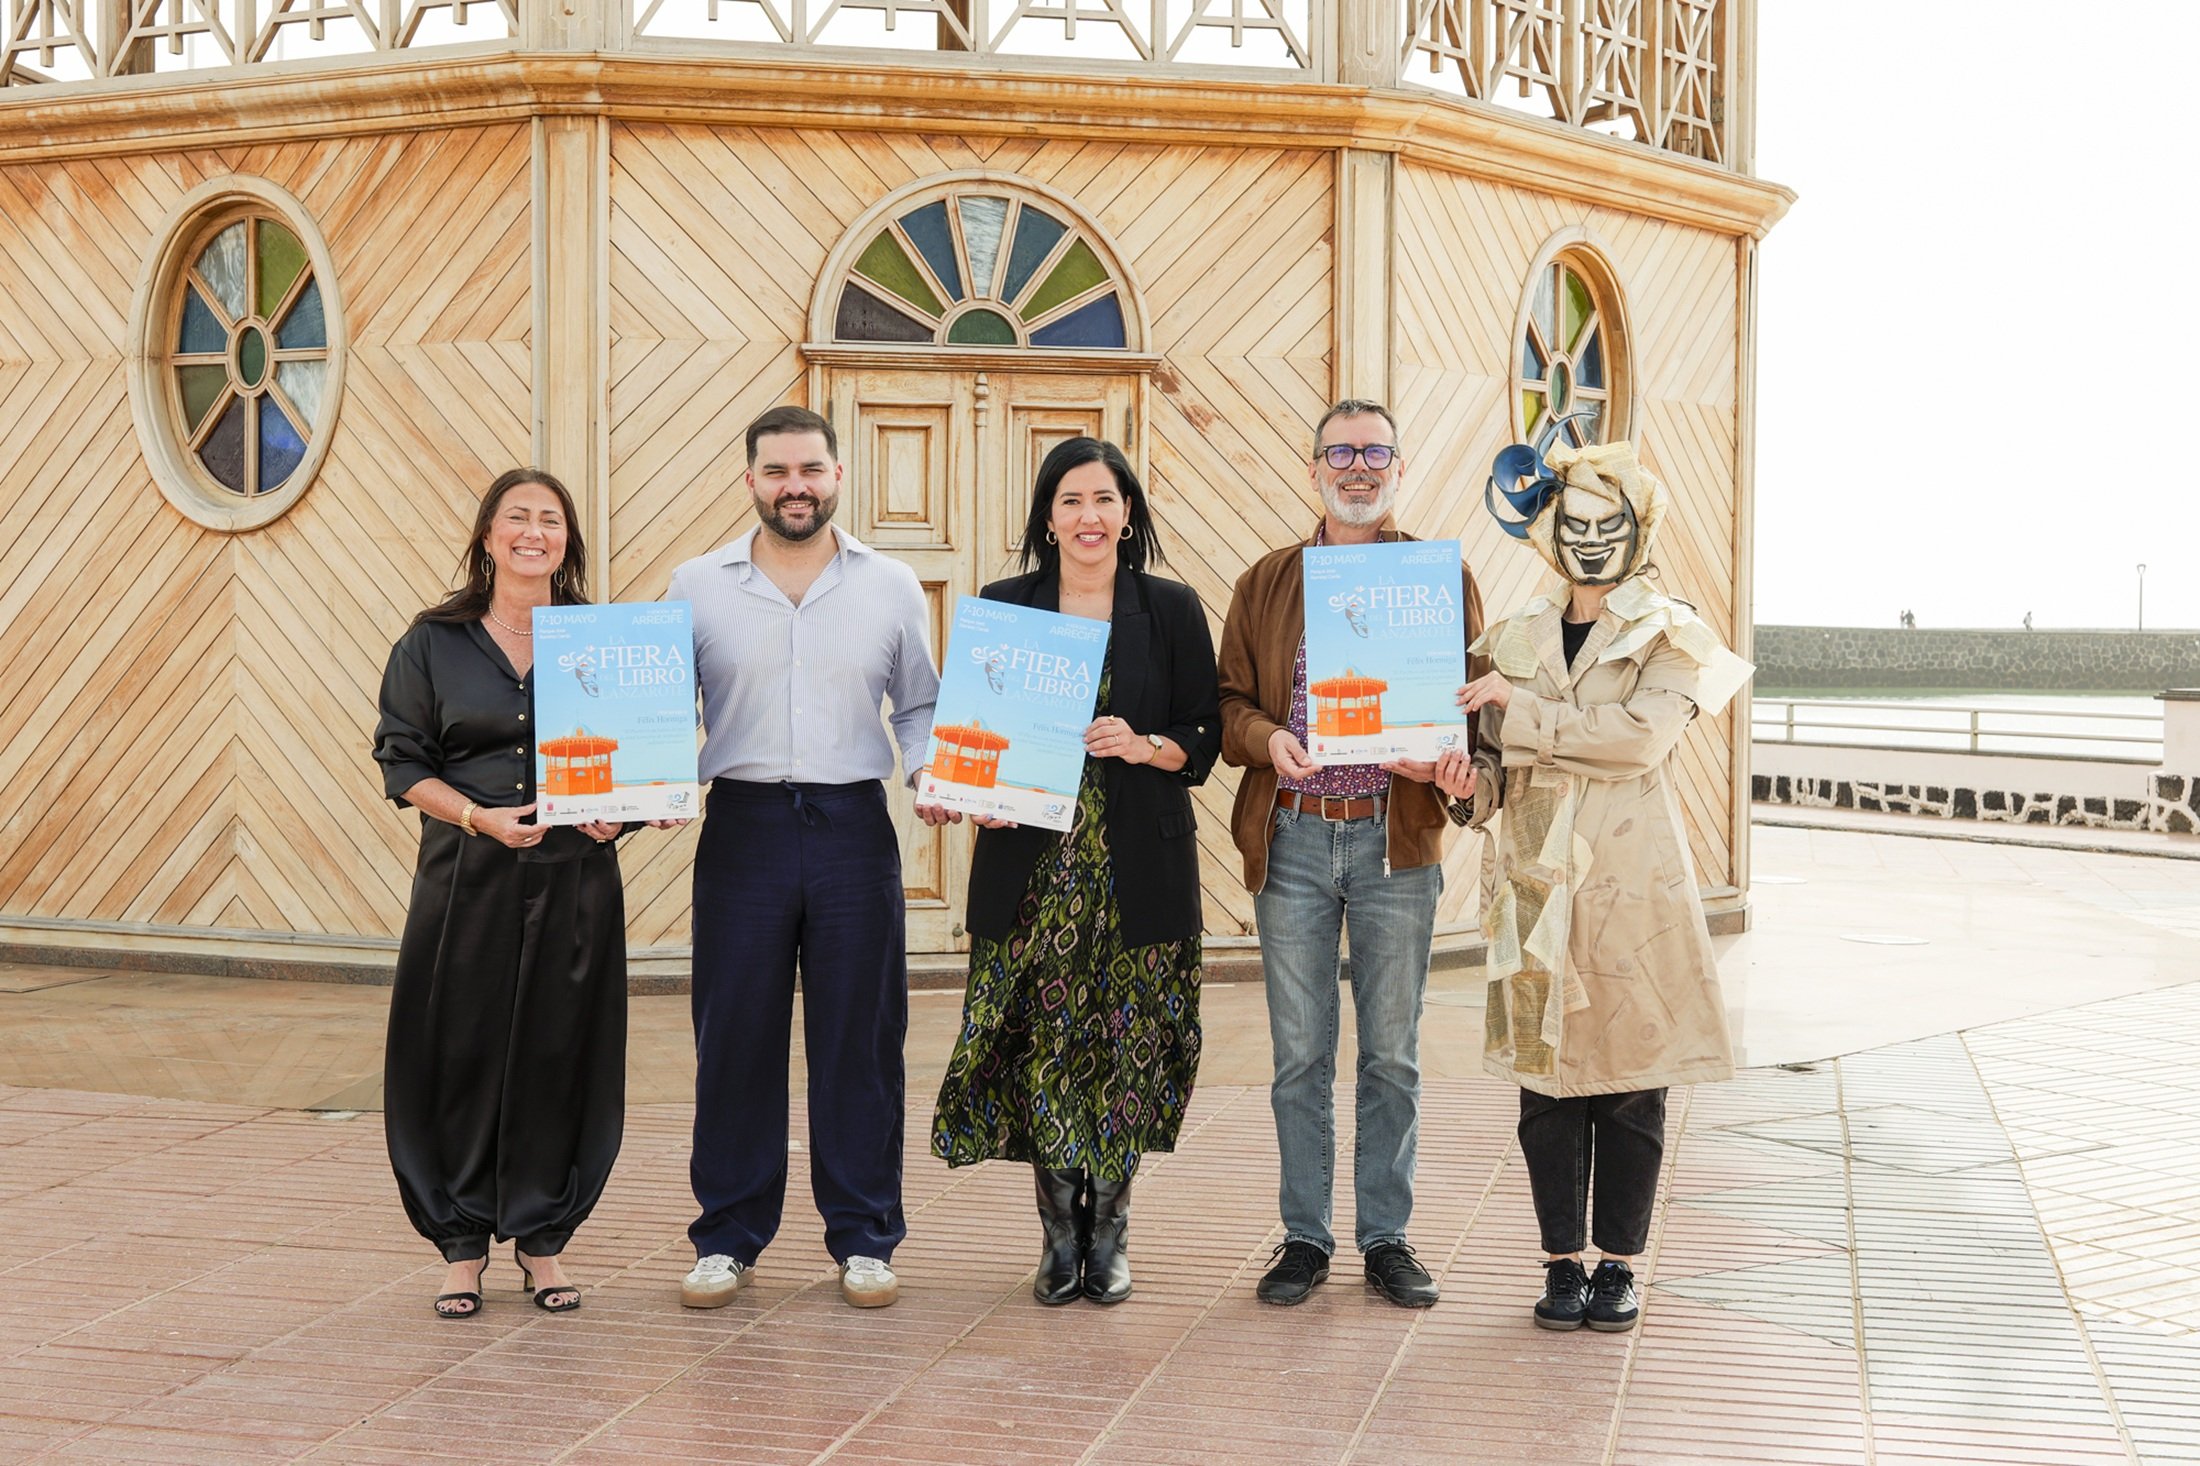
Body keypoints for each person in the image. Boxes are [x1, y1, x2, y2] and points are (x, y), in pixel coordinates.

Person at [1466, 435, 1752, 1333]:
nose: (1591, 540)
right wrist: (1461, 782)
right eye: (1576, 522)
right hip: (1533, 880)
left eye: (1610, 522)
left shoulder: (1672, 630)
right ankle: (1560, 1262)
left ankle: (1619, 1266)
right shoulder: (1510, 637)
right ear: (1550, 525)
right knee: (1544, 1087)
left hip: (1632, 885)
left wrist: (1524, 715)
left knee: (1632, 1082)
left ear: (1639, 527)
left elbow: (1637, 740)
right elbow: (1487, 772)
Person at [930, 437, 1221, 1306]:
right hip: (1034, 872)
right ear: (1047, 518)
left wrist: (1145, 745)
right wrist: (967, 791)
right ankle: (1061, 1238)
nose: (1088, 517)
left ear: (1128, 514)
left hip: (1137, 869)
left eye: (1104, 499)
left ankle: (1112, 1235)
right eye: (1070, 501)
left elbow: (1204, 735)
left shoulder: (1170, 608)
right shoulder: (1005, 606)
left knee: (1126, 1050)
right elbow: (971, 734)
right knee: (1047, 1048)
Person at [671, 406, 944, 1312]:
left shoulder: (893, 585)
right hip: (742, 828)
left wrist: (933, 777)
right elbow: (665, 716)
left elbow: (917, 708)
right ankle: (727, 1238)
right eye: (777, 470)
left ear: (837, 476)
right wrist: (647, 790)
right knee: (735, 1035)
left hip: (853, 829)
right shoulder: (696, 585)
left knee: (860, 1039)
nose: (796, 486)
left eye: (811, 470)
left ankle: (865, 1238)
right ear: (750, 478)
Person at [1217, 399, 1484, 1310]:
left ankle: (1386, 1237)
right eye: (1342, 452)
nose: (1358, 467)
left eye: (1376, 452)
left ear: (1399, 469)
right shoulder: (1267, 580)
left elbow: (1473, 711)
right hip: (1291, 836)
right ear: (1314, 468)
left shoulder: (1439, 579)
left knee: (1393, 1056)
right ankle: (1304, 1236)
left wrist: (1455, 765)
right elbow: (1228, 706)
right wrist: (1264, 741)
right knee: (1300, 1056)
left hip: (1394, 839)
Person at [373, 467, 640, 1318]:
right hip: (467, 884)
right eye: (517, 518)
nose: (534, 532)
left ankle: (543, 1242)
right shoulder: (432, 641)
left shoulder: (606, 642)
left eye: (551, 520)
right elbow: (402, 760)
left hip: (575, 883)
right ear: (488, 536)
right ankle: (459, 1246)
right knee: (457, 1054)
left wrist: (617, 820)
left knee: (562, 1056)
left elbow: (637, 757)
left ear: (567, 542)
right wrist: (479, 820)